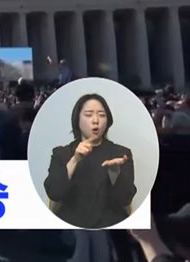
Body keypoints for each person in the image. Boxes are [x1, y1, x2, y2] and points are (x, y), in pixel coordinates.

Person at [43, 93, 137, 229]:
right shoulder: (62, 153)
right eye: (88, 115)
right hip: (71, 227)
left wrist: (115, 175)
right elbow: (54, 193)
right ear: (77, 119)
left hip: (110, 226)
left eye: (101, 115)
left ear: (108, 120)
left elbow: (125, 200)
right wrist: (74, 160)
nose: (95, 120)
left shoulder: (121, 154)